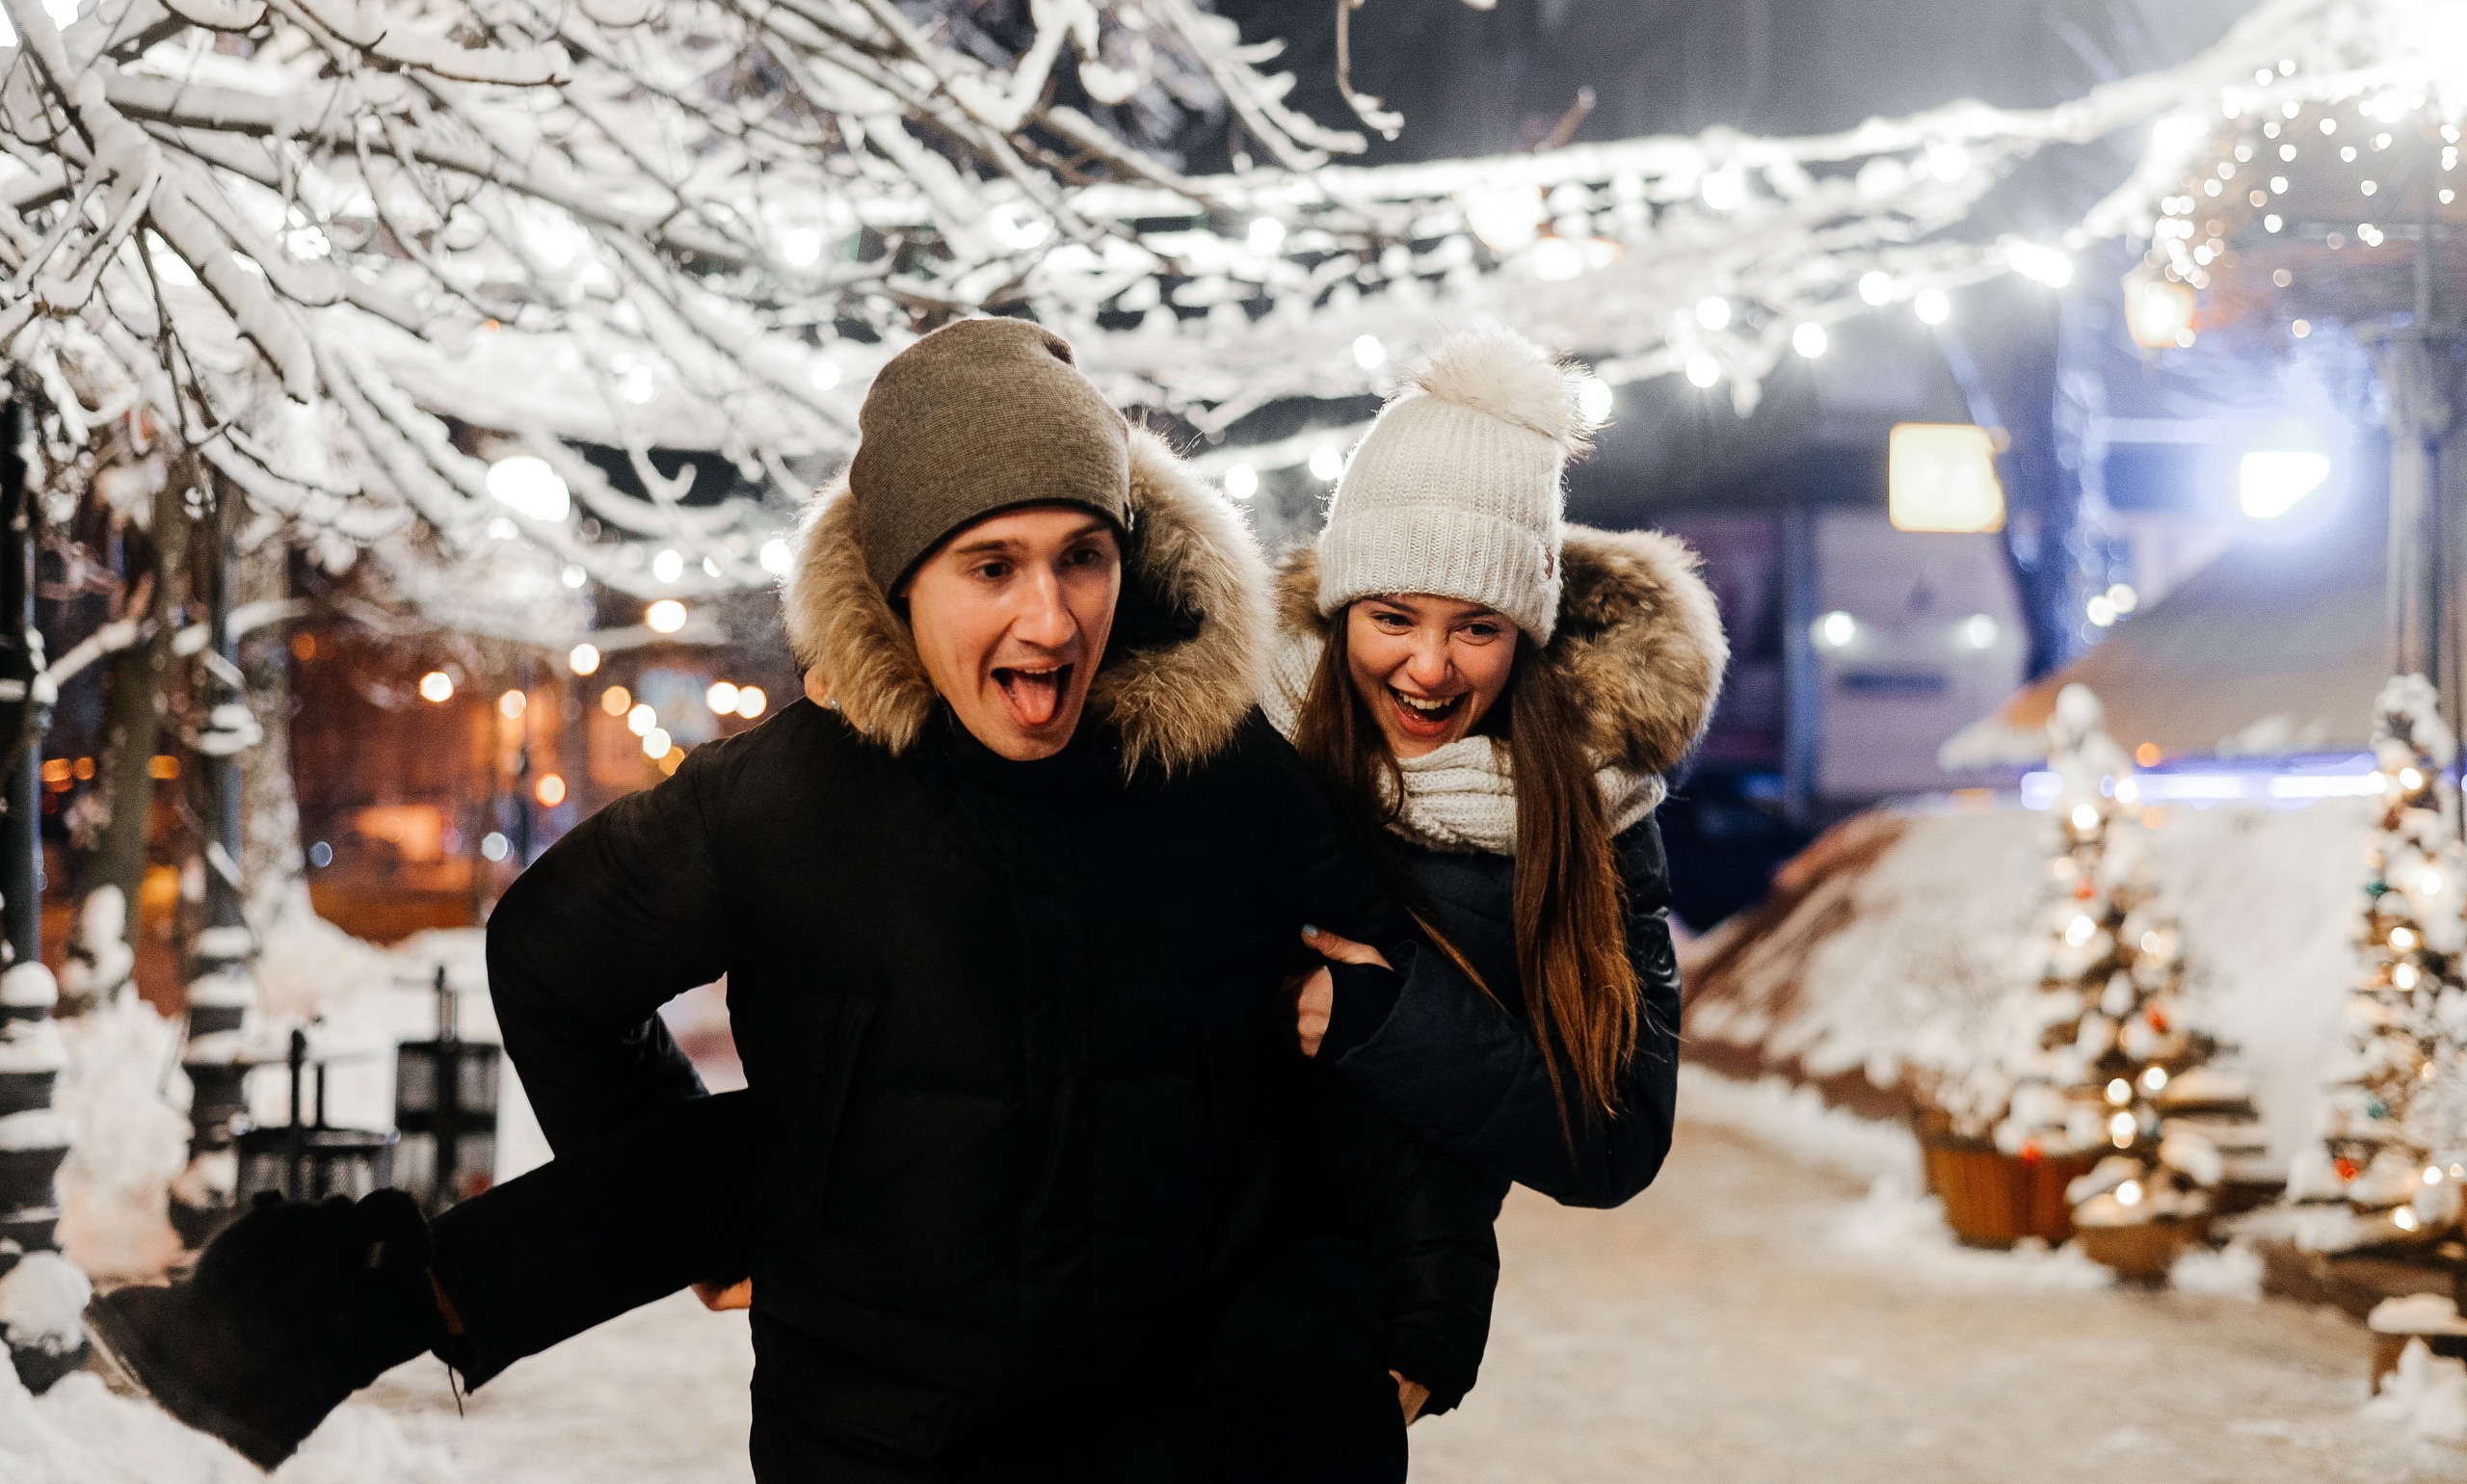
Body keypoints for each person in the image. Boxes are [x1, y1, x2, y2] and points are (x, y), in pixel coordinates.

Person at [87, 318, 1500, 1481]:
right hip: (883, 1444)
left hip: (1183, 1439)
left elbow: (1388, 1031)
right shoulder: (787, 795)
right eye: (991, 566)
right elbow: (551, 954)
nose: (1052, 616)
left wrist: (1427, 1317)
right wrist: (698, 1205)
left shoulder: (1221, 771)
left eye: (1083, 554)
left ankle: (293, 1319)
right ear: (899, 584)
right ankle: (288, 1323)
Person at [1268, 322, 1724, 1207]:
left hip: (1400, 1319)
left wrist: (1391, 1023)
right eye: (1393, 618)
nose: (1431, 667)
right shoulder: (1246, 739)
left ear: (1526, 631)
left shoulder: (1593, 798)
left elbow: (1618, 1135)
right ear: (1340, 608)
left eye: (1477, 627)